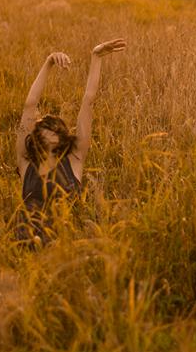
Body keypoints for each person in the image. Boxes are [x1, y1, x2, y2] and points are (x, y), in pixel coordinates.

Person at [14, 39, 127, 247]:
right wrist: (49, 63)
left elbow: (88, 100)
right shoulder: (26, 162)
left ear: (64, 135)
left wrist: (96, 57)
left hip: (65, 243)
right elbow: (29, 105)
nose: (50, 125)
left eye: (56, 125)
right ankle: (37, 243)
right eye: (44, 124)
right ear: (36, 134)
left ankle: (49, 245)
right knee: (32, 227)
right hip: (28, 241)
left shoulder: (74, 160)